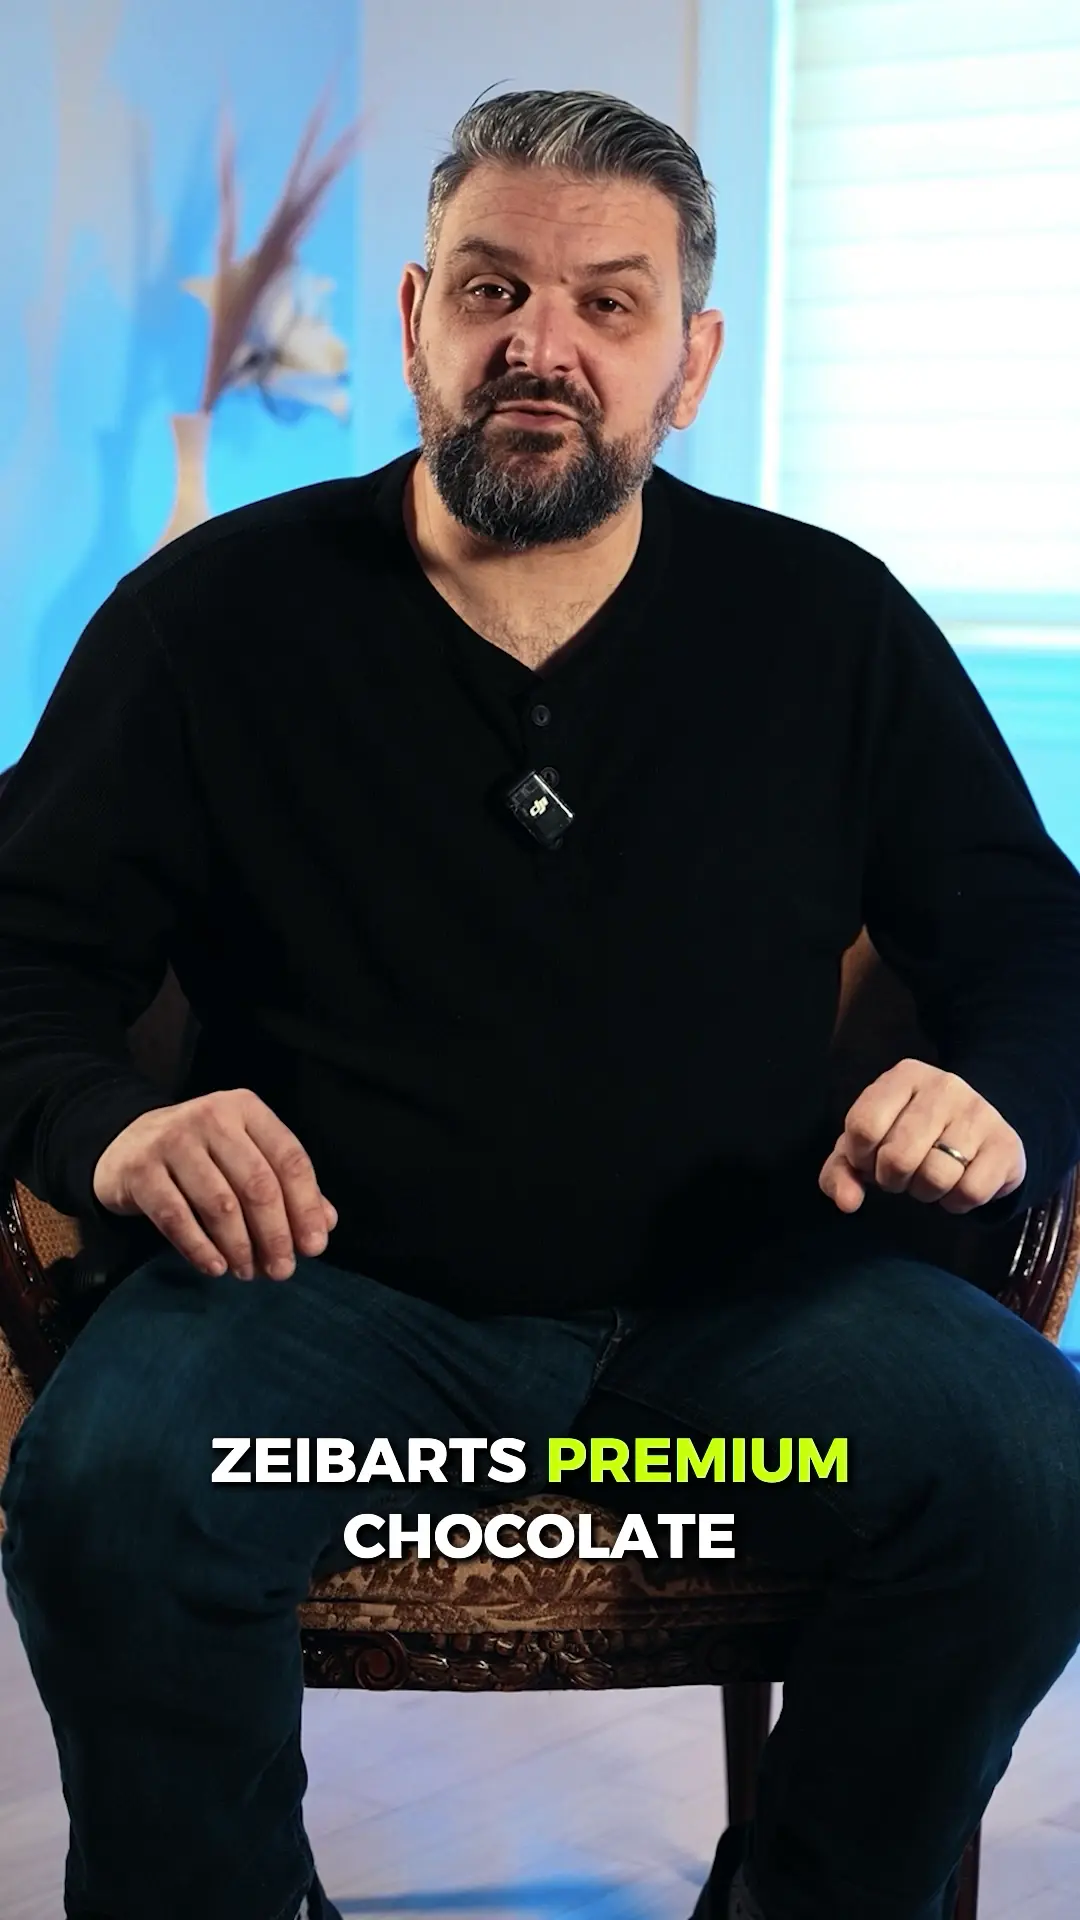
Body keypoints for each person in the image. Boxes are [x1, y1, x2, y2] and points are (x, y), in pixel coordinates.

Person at [1, 85, 1080, 1920]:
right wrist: (116, 1127)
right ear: (420, 314)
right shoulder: (212, 620)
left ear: (691, 360)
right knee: (112, 1491)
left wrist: (998, 1095)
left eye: (609, 303)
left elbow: (1037, 943)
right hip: (320, 1321)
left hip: (751, 1339)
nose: (542, 344)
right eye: (494, 288)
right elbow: (22, 949)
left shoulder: (827, 623)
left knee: (1026, 1474)